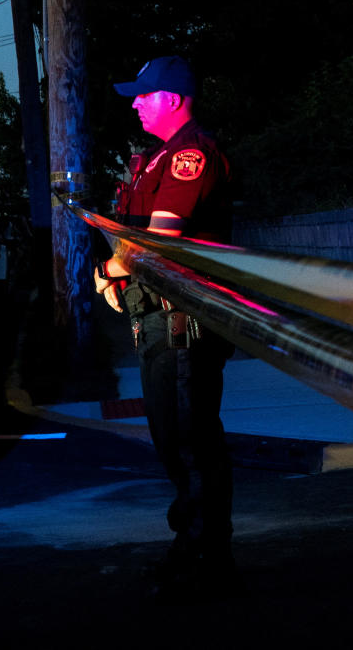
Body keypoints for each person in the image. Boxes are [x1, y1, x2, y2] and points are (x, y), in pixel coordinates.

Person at [92, 55, 239, 600]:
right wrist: (113, 273)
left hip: (184, 325)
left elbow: (157, 240)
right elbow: (128, 237)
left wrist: (112, 269)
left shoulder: (190, 156)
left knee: (190, 444)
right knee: (176, 443)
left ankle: (205, 563)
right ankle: (196, 551)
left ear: (173, 99)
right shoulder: (156, 159)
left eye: (143, 94)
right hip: (157, 319)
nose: (134, 103)